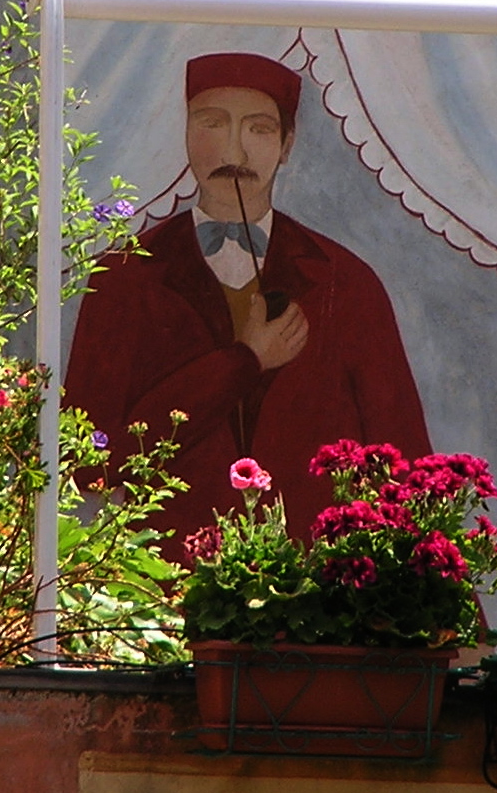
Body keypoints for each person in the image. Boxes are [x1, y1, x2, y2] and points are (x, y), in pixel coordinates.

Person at [63, 51, 432, 554]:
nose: (233, 149)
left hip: (318, 595)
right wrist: (241, 362)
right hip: (163, 599)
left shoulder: (345, 282)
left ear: (286, 145)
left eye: (258, 129)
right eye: (212, 123)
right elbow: (88, 461)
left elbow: (403, 459)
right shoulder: (125, 278)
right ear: (187, 134)